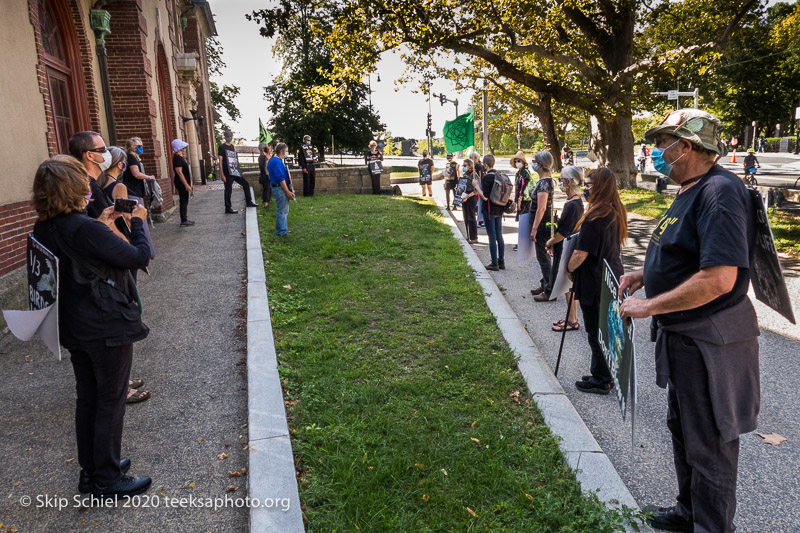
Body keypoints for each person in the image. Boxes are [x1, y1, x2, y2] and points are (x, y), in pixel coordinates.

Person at [619, 109, 757, 533]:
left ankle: (711, 526)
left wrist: (649, 305)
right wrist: (645, 275)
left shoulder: (720, 193)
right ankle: (688, 512)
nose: (657, 152)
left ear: (689, 146)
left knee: (710, 445)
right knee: (683, 430)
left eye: (664, 143)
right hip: (684, 337)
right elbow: (686, 253)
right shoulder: (688, 189)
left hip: (709, 342)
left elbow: (718, 278)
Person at [31, 155, 152, 497]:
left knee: (88, 398)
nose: (89, 184)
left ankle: (93, 470)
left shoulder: (47, 226)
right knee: (111, 399)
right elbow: (138, 257)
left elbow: (77, 258)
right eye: (83, 178)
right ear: (74, 186)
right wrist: (139, 221)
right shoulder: (84, 228)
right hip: (105, 324)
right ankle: (108, 479)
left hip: (73, 324)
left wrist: (100, 221)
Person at [566, 167, 627, 394]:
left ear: (600, 187)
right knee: (604, 329)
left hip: (595, 280)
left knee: (595, 331)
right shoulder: (614, 210)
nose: (586, 189)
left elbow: (580, 254)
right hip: (609, 277)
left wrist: (567, 269)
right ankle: (603, 372)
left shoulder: (595, 217)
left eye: (590, 185)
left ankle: (602, 379)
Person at [546, 166, 584, 332]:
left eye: (561, 180)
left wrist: (550, 242)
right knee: (568, 287)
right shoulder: (574, 201)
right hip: (568, 245)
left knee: (568, 286)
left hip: (567, 246)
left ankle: (573, 319)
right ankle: (571, 317)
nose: (560, 183)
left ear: (569, 182)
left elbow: (563, 232)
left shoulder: (573, 205)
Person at [528, 151, 557, 302]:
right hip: (541, 223)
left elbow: (541, 208)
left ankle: (549, 290)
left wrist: (534, 229)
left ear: (540, 164)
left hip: (541, 225)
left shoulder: (545, 183)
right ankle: (545, 283)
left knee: (543, 257)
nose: (533, 164)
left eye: (534, 161)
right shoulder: (543, 182)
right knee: (543, 257)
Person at [218, 130, 257, 213]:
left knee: (245, 183)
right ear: (225, 137)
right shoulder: (222, 147)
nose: (229, 137)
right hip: (226, 172)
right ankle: (228, 208)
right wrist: (222, 174)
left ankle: (249, 202)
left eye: (231, 135)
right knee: (228, 190)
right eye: (228, 135)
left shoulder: (232, 146)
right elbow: (220, 160)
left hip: (234, 171)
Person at [477, 154, 504, 270]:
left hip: (489, 210)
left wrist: (476, 187)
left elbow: (485, 197)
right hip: (499, 208)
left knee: (492, 236)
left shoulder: (487, 178)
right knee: (499, 235)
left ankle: (494, 262)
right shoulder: (499, 176)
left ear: (485, 164)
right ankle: (501, 261)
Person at [267, 143, 296, 236]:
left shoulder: (275, 160)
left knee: (283, 210)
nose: (287, 153)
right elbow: (280, 179)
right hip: (280, 188)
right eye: (286, 151)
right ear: (281, 151)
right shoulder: (277, 161)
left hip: (278, 188)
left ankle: (283, 229)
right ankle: (281, 231)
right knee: (282, 211)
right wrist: (287, 191)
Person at [122, 137, 155, 202]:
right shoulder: (131, 157)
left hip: (137, 191)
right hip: (133, 191)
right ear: (131, 147)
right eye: (138, 146)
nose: (140, 148)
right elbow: (136, 174)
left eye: (141, 146)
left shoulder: (135, 158)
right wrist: (149, 177)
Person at [171, 139, 194, 227]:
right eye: (183, 148)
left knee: (185, 200)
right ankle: (183, 220)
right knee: (183, 200)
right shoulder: (177, 159)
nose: (184, 149)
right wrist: (186, 185)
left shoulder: (180, 158)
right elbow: (179, 173)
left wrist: (190, 183)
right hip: (181, 184)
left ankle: (185, 218)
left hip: (184, 183)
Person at [461, 158, 480, 243]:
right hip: (464, 197)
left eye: (465, 165)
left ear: (470, 166)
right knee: (465, 217)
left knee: (471, 217)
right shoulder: (465, 175)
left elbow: (475, 190)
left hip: (471, 197)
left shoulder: (474, 175)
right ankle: (468, 236)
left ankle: (474, 237)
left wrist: (467, 197)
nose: (463, 167)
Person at [472, 153, 486, 228]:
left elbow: (480, 178)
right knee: (478, 203)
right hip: (477, 187)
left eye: (474, 157)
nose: (472, 159)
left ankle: (480, 221)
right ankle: (480, 220)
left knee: (480, 203)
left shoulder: (478, 166)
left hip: (479, 186)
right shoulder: (478, 166)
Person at [258, 142, 273, 208]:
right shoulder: (262, 157)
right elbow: (262, 167)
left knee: (268, 188)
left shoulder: (268, 156)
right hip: (265, 175)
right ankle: (266, 203)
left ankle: (268, 200)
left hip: (269, 175)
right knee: (266, 188)